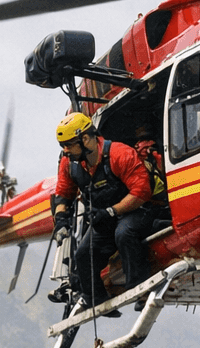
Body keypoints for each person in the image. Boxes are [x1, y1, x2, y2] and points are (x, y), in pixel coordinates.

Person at [48, 112, 172, 314]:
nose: (66, 150)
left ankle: (140, 289)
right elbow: (63, 194)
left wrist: (111, 211)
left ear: (86, 139)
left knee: (124, 233)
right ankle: (94, 299)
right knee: (83, 255)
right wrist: (61, 220)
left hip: (137, 211)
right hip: (105, 218)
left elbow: (141, 193)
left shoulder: (120, 154)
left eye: (69, 144)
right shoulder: (69, 164)